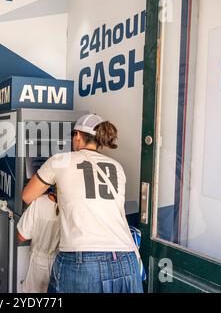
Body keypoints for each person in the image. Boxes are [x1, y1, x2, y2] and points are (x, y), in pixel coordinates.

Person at [22, 114, 143, 293]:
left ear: (77, 135)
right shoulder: (116, 166)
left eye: (73, 135)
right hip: (127, 258)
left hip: (83, 260)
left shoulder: (60, 160)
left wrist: (55, 189)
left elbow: (27, 196)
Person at [17, 190, 60, 293]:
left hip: (38, 264)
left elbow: (21, 236)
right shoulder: (70, 206)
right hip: (60, 262)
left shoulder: (39, 202)